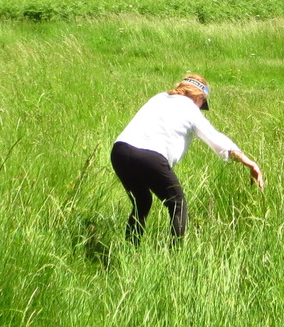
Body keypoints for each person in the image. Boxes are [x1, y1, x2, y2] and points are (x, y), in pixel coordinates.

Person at [111, 74, 264, 244]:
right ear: (198, 97)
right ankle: (174, 256)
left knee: (142, 201)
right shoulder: (191, 109)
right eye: (202, 103)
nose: (200, 107)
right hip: (151, 156)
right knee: (177, 204)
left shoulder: (158, 98)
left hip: (120, 151)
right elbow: (216, 139)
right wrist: (247, 161)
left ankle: (130, 249)